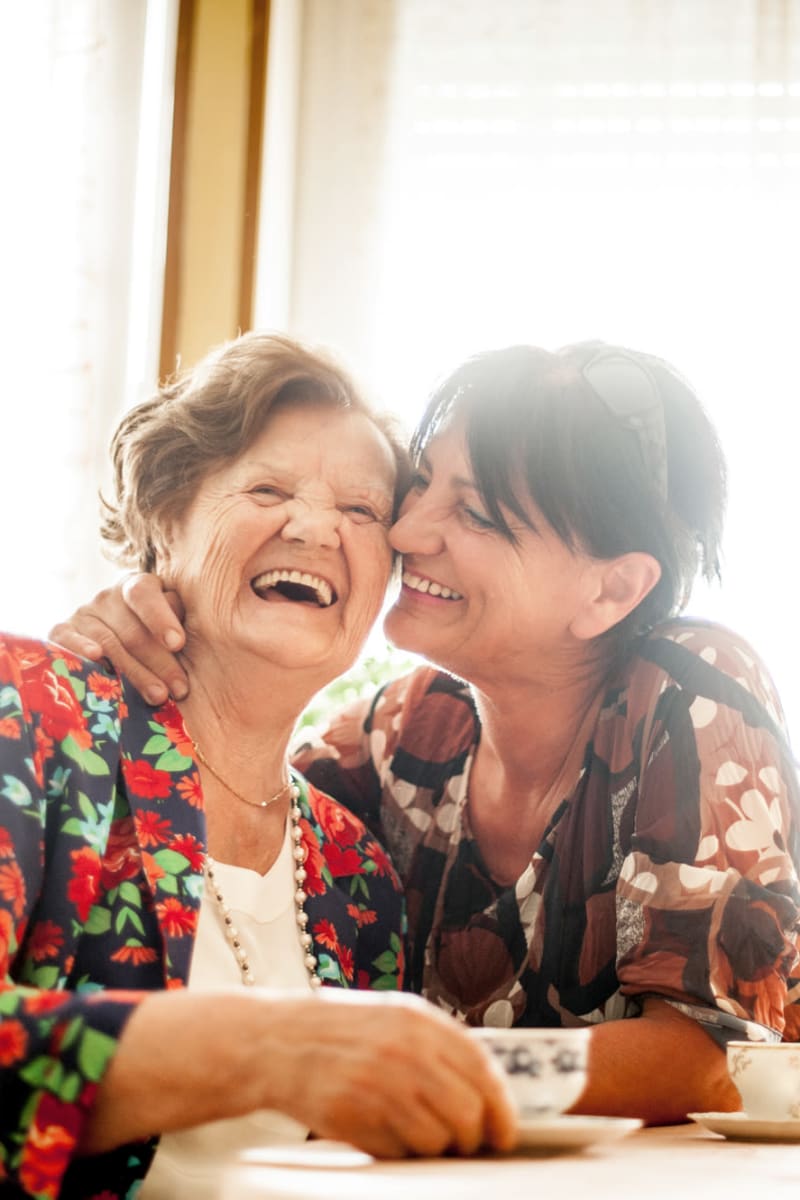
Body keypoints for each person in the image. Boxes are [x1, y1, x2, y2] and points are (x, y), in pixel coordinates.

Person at [51, 339, 800, 1128]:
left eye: (473, 512)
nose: (406, 533)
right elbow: (228, 778)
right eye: (421, 486)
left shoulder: (688, 689)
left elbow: (710, 1058)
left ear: (610, 590)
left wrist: (377, 1065)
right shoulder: (405, 731)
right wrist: (142, 610)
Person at [0, 333, 516, 1200]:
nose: (315, 527)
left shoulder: (358, 871)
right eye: (269, 489)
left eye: (361, 513)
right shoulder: (30, 715)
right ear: (165, 521)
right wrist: (267, 1047)